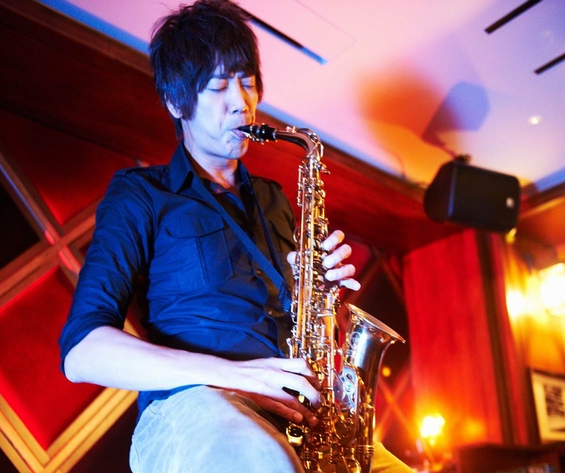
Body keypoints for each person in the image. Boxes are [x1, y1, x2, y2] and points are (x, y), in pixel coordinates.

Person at [59, 1, 411, 472]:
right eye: (219, 86)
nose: (241, 102)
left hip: (297, 410)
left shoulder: (274, 198)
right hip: (195, 405)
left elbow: (299, 319)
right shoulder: (140, 193)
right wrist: (237, 376)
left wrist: (319, 291)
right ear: (176, 103)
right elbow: (82, 352)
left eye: (247, 82)